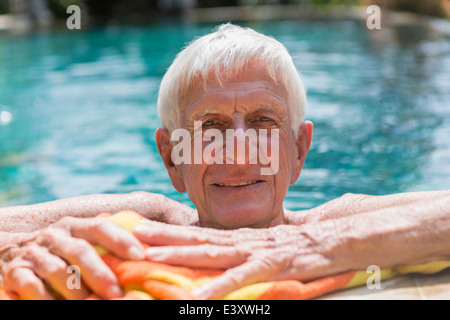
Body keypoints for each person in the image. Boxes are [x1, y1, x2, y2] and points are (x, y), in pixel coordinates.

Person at [0, 23, 449, 300]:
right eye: (209, 126)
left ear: (298, 152)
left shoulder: (331, 223)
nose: (238, 149)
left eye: (263, 121)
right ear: (173, 159)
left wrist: (324, 245)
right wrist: (12, 249)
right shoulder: (149, 219)